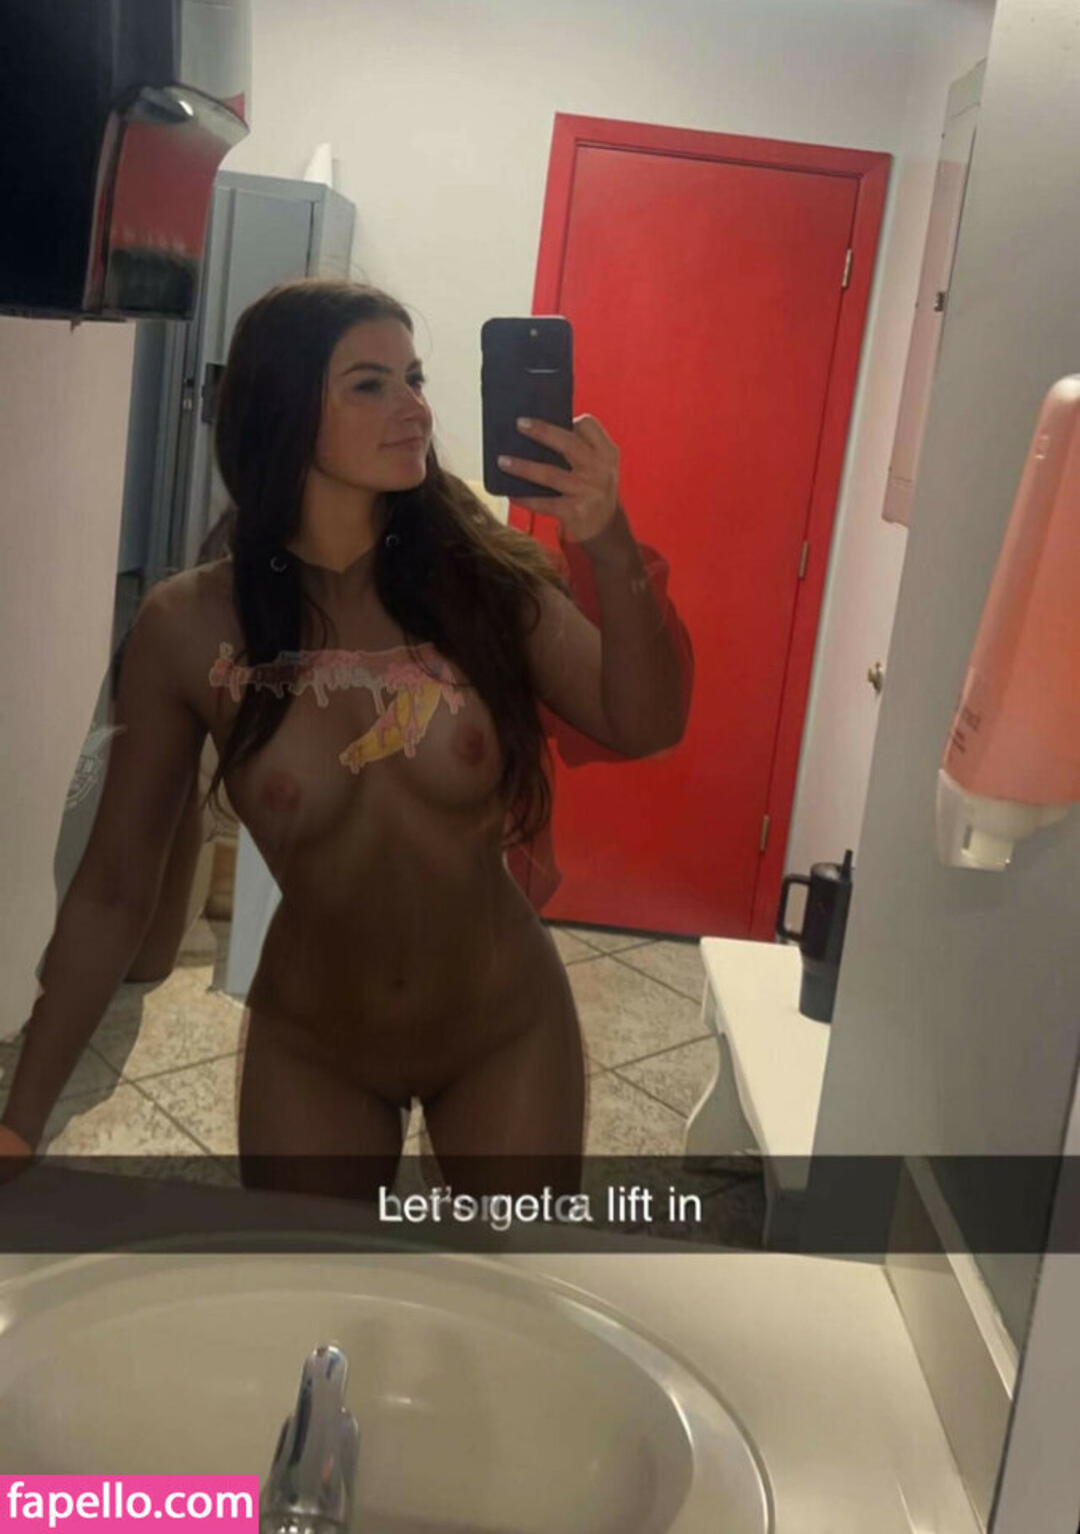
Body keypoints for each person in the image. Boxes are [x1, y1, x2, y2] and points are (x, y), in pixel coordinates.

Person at [0, 279, 689, 1201]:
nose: (415, 407)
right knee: (310, 1288)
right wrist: (20, 1117)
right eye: (370, 384)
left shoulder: (479, 581)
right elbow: (114, 889)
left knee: (501, 1285)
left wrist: (608, 538)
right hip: (314, 1043)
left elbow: (643, 723)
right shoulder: (191, 628)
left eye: (415, 378)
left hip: (503, 1027)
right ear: (285, 409)